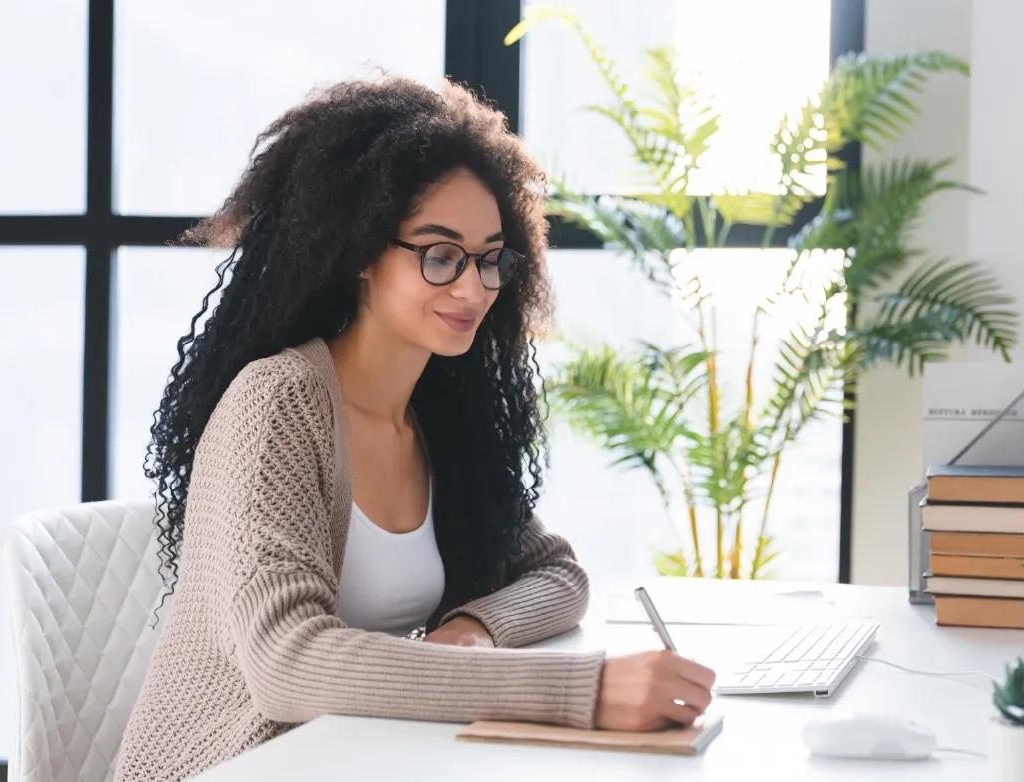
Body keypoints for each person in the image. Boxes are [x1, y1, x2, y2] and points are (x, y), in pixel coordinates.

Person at [112, 75, 715, 782]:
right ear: (362, 252)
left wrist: (474, 629)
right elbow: (288, 663)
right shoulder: (279, 405)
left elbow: (557, 574)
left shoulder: (435, 414)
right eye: (440, 254)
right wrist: (579, 694)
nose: (473, 289)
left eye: (490, 258)